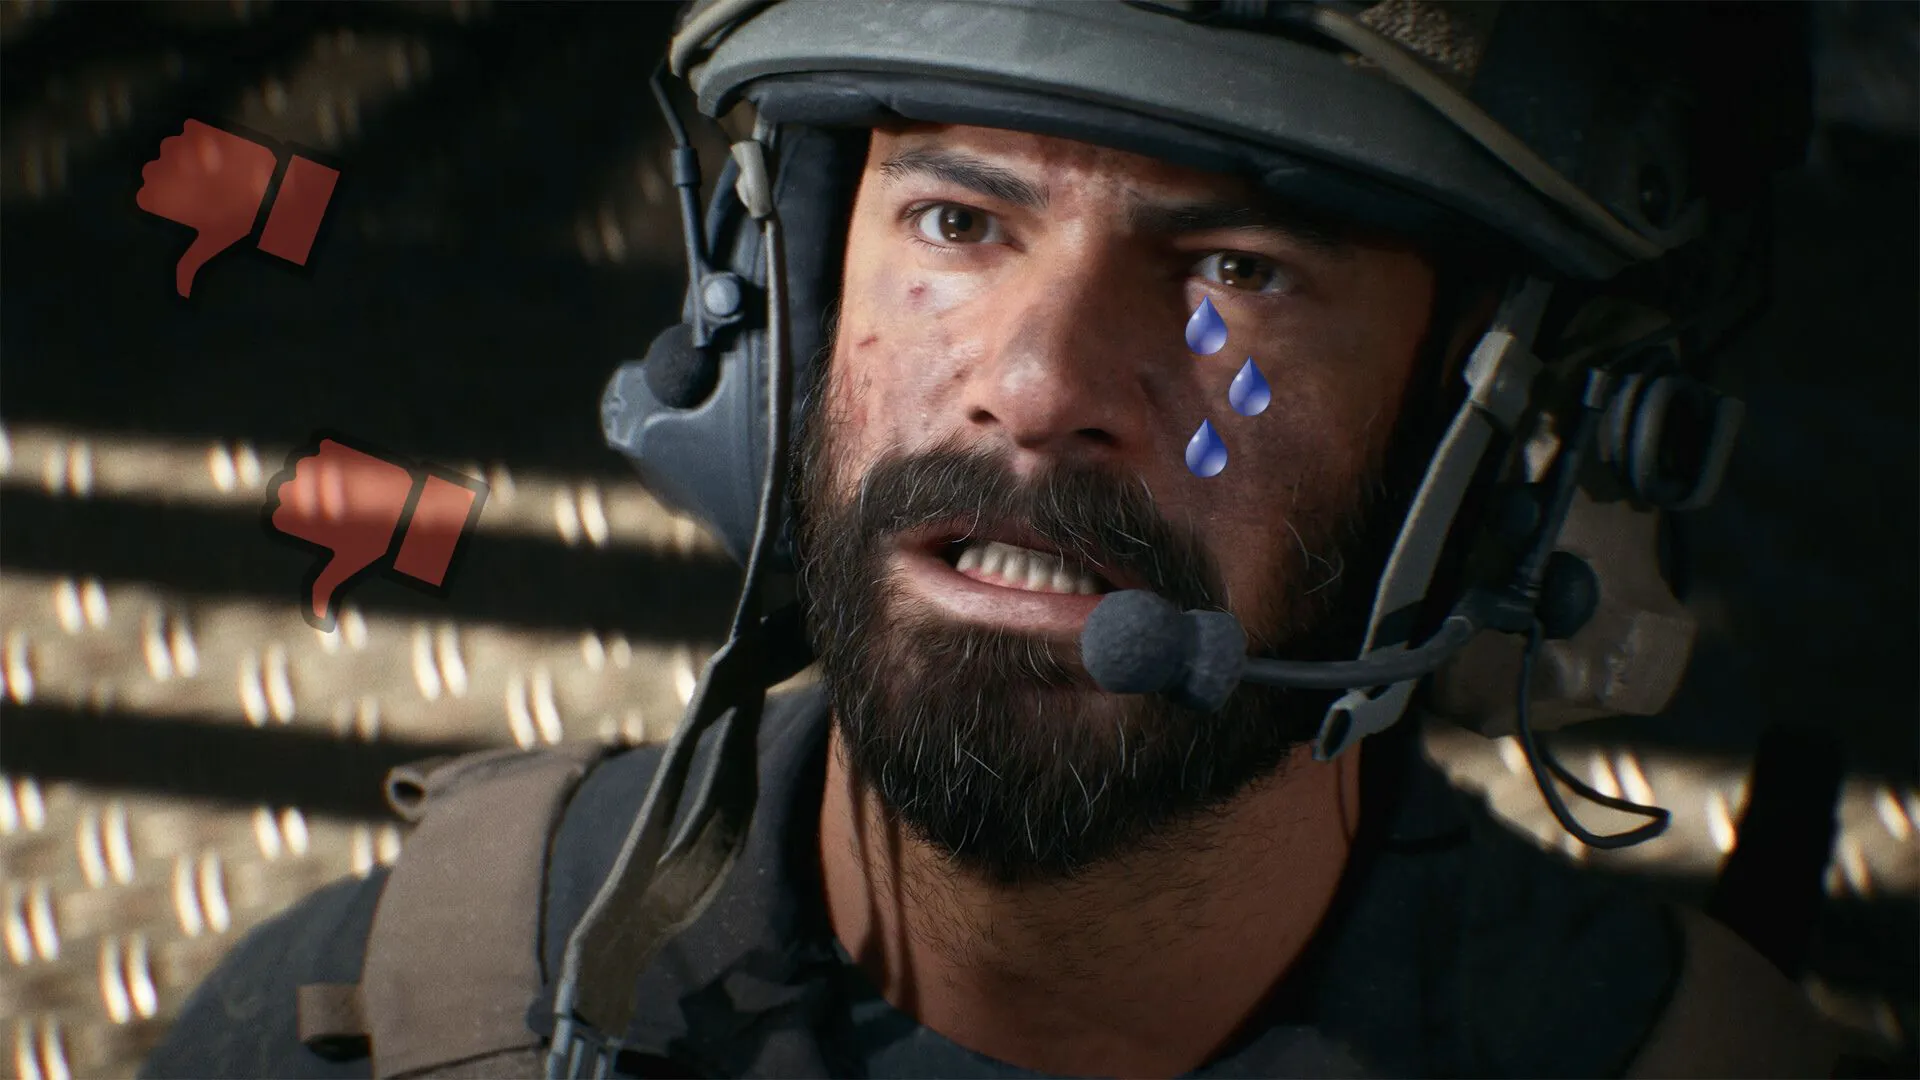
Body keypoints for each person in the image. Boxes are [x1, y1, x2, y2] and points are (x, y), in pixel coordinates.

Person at [145, 1, 1860, 1077]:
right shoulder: (364, 1025)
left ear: (1497, 467)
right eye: (959, 221)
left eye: (1238, 273)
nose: (1037, 392)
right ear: (777, 322)